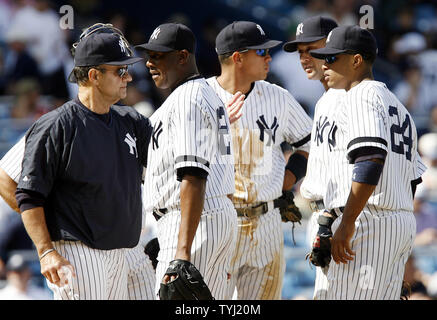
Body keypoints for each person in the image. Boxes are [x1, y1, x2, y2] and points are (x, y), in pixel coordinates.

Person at [13, 30, 153, 300]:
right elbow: (29, 196)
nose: (129, 77)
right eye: (120, 70)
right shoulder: (57, 125)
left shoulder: (131, 121)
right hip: (79, 254)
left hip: (124, 251)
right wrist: (46, 252)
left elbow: (166, 160)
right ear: (94, 75)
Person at [306, 25, 427, 299]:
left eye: (332, 58)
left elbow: (370, 158)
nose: (324, 64)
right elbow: (413, 179)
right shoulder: (399, 106)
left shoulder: (360, 95)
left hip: (367, 221)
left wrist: (347, 223)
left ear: (356, 60)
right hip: (397, 222)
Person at [207, 21, 312, 300]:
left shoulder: (278, 97)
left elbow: (309, 143)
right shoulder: (200, 97)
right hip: (218, 221)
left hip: (265, 220)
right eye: (261, 52)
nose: (269, 58)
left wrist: (288, 180)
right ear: (238, 58)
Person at [136, 23, 237, 299]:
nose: (149, 62)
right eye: (149, 55)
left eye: (158, 56)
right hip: (207, 217)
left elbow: (193, 174)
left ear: (182, 57)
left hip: (194, 220)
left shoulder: (187, 98)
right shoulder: (199, 94)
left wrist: (182, 251)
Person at [282, 15, 341, 300]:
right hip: (327, 221)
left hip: (345, 225)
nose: (304, 58)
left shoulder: (353, 99)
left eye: (311, 49)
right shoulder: (326, 101)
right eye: (301, 52)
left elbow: (371, 165)